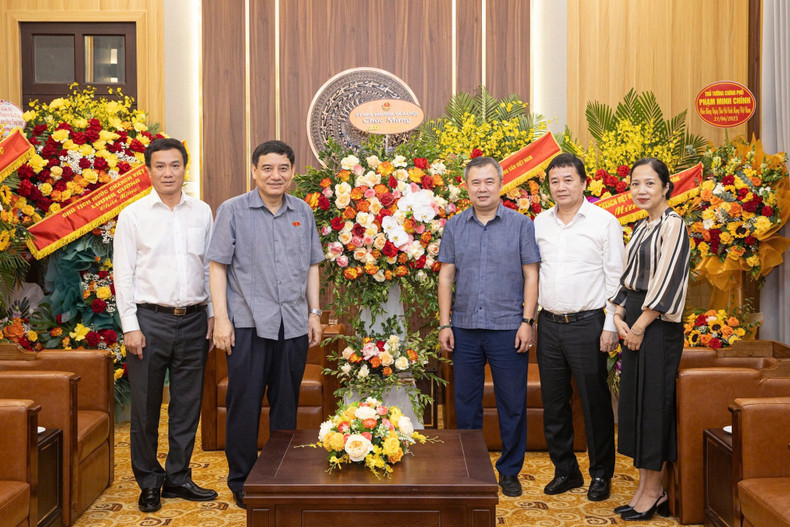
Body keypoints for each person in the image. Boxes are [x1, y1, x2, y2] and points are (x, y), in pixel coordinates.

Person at [208, 140, 323, 509]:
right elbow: (217, 267)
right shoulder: (233, 211)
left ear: (292, 171)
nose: (276, 175)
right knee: (244, 405)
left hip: (292, 325)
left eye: (283, 168)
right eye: (268, 168)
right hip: (246, 324)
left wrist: (314, 313)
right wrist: (221, 319)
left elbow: (312, 266)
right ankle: (242, 480)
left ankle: (282, 474)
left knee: (286, 405)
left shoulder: (302, 211)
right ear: (254, 170)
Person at [114, 137, 217, 513]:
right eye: (160, 166)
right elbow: (123, 275)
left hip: (193, 320)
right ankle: (149, 481)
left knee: (187, 404)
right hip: (148, 321)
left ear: (185, 168)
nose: (168, 172)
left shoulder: (202, 212)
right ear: (148, 170)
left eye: (175, 165)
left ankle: (178, 476)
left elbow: (209, 268)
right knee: (145, 407)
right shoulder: (133, 215)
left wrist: (212, 316)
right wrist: (130, 325)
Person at [438, 156, 540, 498]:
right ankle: (471, 467)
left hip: (508, 328)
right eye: (475, 183)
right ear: (466, 187)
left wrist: (528, 321)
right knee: (466, 404)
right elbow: (446, 276)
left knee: (512, 403)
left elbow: (531, 275)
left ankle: (509, 471)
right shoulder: (454, 226)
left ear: (500, 184)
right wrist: (444, 323)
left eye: (489, 182)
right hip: (464, 328)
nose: (482, 189)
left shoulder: (521, 224)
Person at [533, 153, 623, 501]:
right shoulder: (539, 223)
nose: (561, 187)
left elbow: (616, 276)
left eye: (568, 179)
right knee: (554, 404)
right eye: (555, 181)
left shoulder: (604, 222)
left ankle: (601, 474)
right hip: (550, 325)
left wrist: (611, 324)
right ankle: (565, 470)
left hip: (589, 324)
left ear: (584, 182)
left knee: (594, 402)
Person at [611, 157, 690, 521]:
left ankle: (654, 491)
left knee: (655, 407)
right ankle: (643, 487)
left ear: (666, 187)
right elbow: (629, 281)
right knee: (639, 407)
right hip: (637, 323)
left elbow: (667, 282)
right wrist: (617, 316)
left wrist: (639, 326)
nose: (641, 191)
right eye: (635, 184)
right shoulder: (642, 228)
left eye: (649, 184)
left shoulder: (675, 226)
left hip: (657, 328)